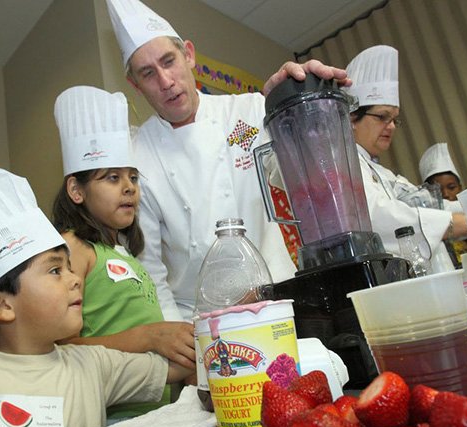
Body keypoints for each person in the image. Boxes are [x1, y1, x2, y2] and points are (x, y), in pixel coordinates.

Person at [106, 0, 350, 320]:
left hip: (276, 295)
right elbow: (149, 266)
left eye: (169, 61)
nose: (166, 81)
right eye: (148, 73)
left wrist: (290, 103)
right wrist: (180, 342)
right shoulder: (138, 159)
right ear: (135, 85)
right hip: (201, 318)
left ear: (189, 55)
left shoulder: (244, 116)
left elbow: (297, 174)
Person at [0, 169, 191, 427]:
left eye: (70, 268)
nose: (75, 280)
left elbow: (177, 366)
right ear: (0, 303)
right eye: (56, 271)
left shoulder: (93, 366)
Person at [51, 85, 195, 419]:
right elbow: (62, 350)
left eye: (133, 177)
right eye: (112, 177)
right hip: (112, 417)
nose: (129, 187)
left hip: (156, 412)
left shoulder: (123, 253)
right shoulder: (74, 247)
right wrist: (148, 336)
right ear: (76, 189)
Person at [345, 45, 467, 271]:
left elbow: (423, 201)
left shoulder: (381, 172)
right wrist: (453, 224)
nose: (391, 126)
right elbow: (380, 218)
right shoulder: (345, 165)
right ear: (352, 119)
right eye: (382, 117)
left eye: (394, 119)